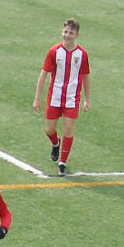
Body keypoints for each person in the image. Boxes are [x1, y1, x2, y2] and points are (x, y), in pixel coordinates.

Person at [33, 18, 91, 177]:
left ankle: (62, 163)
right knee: (49, 129)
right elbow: (43, 74)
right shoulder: (54, 51)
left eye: (71, 32)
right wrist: (37, 98)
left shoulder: (82, 54)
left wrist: (87, 99)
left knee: (69, 129)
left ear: (77, 35)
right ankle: (55, 143)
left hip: (72, 98)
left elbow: (86, 76)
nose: (67, 35)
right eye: (65, 31)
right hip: (55, 96)